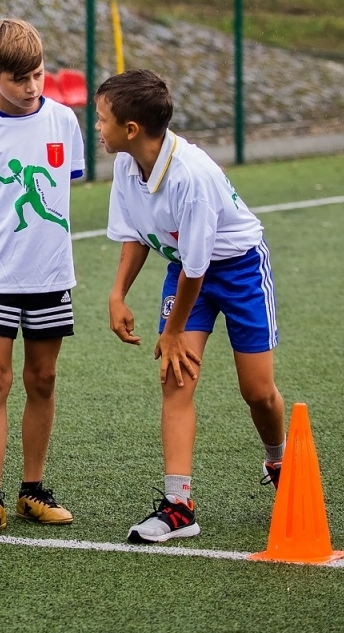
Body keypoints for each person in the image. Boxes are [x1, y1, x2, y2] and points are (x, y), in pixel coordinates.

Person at [96, 69, 287, 544]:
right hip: (183, 267)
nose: (96, 127)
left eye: (101, 119)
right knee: (176, 378)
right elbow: (135, 236)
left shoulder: (191, 177)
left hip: (237, 269)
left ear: (131, 129)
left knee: (257, 391)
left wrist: (173, 330)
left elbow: (198, 272)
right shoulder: (126, 164)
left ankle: (279, 459)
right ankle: (179, 507)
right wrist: (117, 294)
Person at [0, 20, 84, 536]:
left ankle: (32, 491)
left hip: (50, 274)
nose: (32, 88)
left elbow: (60, 195)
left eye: (39, 75)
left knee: (42, 379)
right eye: (19, 79)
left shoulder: (64, 123)